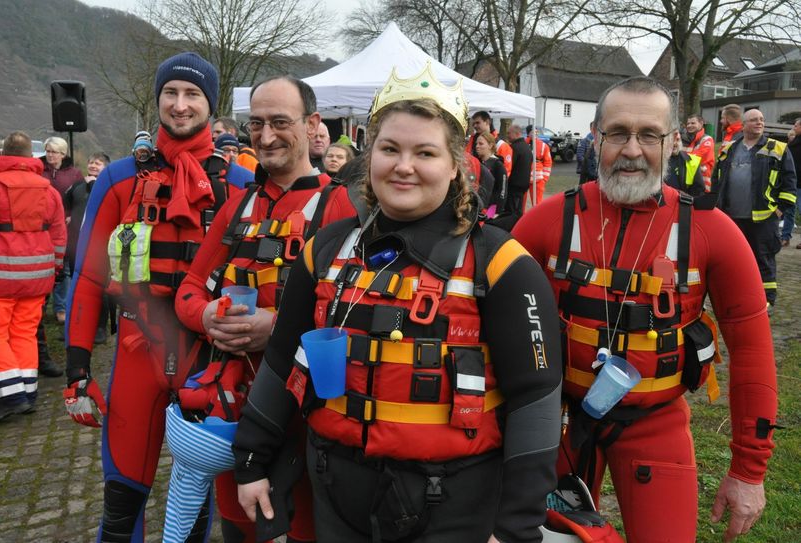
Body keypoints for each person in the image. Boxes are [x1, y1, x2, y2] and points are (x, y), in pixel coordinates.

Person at [233, 63, 562, 543]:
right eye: (390, 149)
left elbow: (537, 397)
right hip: (337, 496)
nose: (403, 165)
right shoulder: (325, 249)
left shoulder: (502, 264)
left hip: (454, 506)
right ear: (371, 159)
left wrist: (516, 527)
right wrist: (249, 460)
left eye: (424, 152)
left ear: (455, 166)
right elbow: (282, 361)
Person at [512, 76, 779, 543]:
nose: (631, 149)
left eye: (649, 135)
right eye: (617, 132)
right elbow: (482, 325)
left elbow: (753, 353)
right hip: (559, 425)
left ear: (674, 142)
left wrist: (749, 471)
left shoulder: (711, 231)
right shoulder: (549, 219)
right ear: (595, 136)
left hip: (656, 424)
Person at [62, 52, 252, 542]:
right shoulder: (119, 178)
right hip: (135, 352)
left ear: (210, 105)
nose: (181, 105)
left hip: (207, 358)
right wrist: (77, 372)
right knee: (121, 504)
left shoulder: (240, 185)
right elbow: (87, 278)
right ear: (158, 100)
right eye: (171, 93)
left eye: (193, 95)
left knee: (192, 500)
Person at [174, 75, 357, 543]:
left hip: (304, 416)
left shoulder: (342, 206)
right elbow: (190, 289)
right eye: (256, 123)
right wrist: (208, 316)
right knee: (239, 529)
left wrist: (278, 327)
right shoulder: (239, 205)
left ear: (313, 124)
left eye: (280, 122)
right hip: (233, 408)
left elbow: (356, 315)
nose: (267, 135)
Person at [0, 131, 66, 423]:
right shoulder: (49, 191)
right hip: (38, 278)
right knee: (24, 332)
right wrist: (54, 270)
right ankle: (28, 393)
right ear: (30, 156)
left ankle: (12, 396)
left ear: (3, 153)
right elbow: (59, 236)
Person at [713, 108, 797, 310]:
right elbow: (718, 181)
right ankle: (737, 297)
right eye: (753, 120)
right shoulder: (729, 149)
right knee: (734, 260)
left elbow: (790, 183)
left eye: (761, 119)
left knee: (763, 259)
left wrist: (779, 210)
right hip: (732, 218)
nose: (759, 123)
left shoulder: (777, 148)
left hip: (764, 218)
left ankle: (766, 302)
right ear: (744, 125)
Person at [63, 152, 112, 344]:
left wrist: (93, 185)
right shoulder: (76, 185)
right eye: (91, 162)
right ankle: (76, 324)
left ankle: (100, 326)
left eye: (98, 163)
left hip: (99, 245)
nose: (92, 166)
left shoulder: (108, 186)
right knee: (77, 285)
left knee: (99, 286)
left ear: (105, 167)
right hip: (76, 244)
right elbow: (66, 205)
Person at [42, 136, 84, 324]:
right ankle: (40, 304)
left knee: (63, 268)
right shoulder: (38, 169)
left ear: (63, 154)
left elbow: (81, 197)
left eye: (54, 152)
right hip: (41, 225)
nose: (50, 155)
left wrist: (72, 216)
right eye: (48, 151)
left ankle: (61, 307)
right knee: (42, 265)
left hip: (64, 226)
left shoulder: (74, 173)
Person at [466, 110, 513, 176]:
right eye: (473, 124)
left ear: (487, 122)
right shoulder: (471, 141)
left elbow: (505, 173)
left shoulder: (501, 145)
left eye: (478, 123)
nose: (475, 126)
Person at [475, 131, 508, 215]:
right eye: (476, 144)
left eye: (481, 144)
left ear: (490, 145)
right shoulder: (478, 163)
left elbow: (503, 191)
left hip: (491, 210)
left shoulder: (498, 165)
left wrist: (495, 213)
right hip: (479, 208)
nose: (477, 146)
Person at [780, 118, 801, 248]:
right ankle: (785, 237)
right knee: (789, 210)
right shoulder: (794, 143)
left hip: (799, 184)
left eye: (796, 125)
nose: (794, 126)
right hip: (793, 182)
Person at [665, 130, 705, 197]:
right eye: (671, 140)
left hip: (682, 204)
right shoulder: (655, 160)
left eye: (677, 140)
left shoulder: (692, 161)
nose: (675, 143)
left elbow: (698, 191)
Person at [506, 123, 532, 216]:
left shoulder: (514, 148)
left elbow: (509, 166)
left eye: (509, 133)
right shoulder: (527, 147)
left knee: (512, 212)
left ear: (516, 134)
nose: (507, 135)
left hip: (514, 185)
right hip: (523, 185)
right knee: (518, 210)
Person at [683, 113, 715, 188]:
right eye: (688, 123)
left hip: (702, 183)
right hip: (685, 183)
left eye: (693, 123)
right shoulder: (683, 139)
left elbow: (696, 158)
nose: (689, 125)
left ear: (701, 124)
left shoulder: (707, 140)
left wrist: (680, 158)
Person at [524, 125, 553, 206]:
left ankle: (537, 218)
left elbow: (548, 163)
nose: (535, 133)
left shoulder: (543, 146)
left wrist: (544, 179)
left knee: (537, 204)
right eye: (533, 131)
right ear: (528, 133)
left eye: (536, 131)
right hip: (523, 178)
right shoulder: (523, 144)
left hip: (538, 179)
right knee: (520, 203)